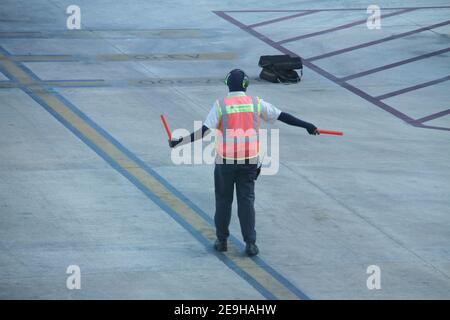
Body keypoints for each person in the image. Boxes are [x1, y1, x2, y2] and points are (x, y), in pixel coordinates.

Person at [168, 69, 319, 256]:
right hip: (249, 161)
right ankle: (250, 243)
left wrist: (179, 142)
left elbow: (204, 131)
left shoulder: (221, 105)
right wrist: (308, 126)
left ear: (227, 85)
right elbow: (282, 116)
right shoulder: (256, 103)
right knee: (246, 201)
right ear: (246, 85)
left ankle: (222, 240)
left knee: (223, 201)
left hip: (225, 162)